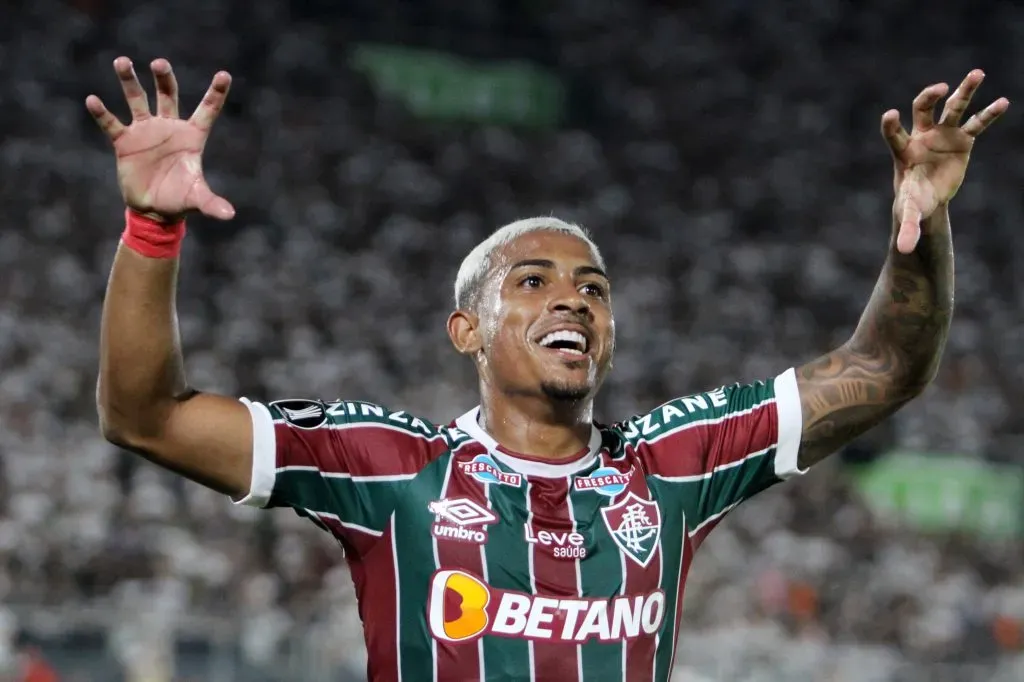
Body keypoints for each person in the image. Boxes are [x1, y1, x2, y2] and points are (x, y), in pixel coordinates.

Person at [87, 55, 1008, 682]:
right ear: (467, 330)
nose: (572, 300)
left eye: (594, 289)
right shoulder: (387, 464)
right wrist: (152, 229)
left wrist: (920, 223)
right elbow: (144, 416)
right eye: (532, 282)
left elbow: (885, 367)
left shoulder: (673, 463)